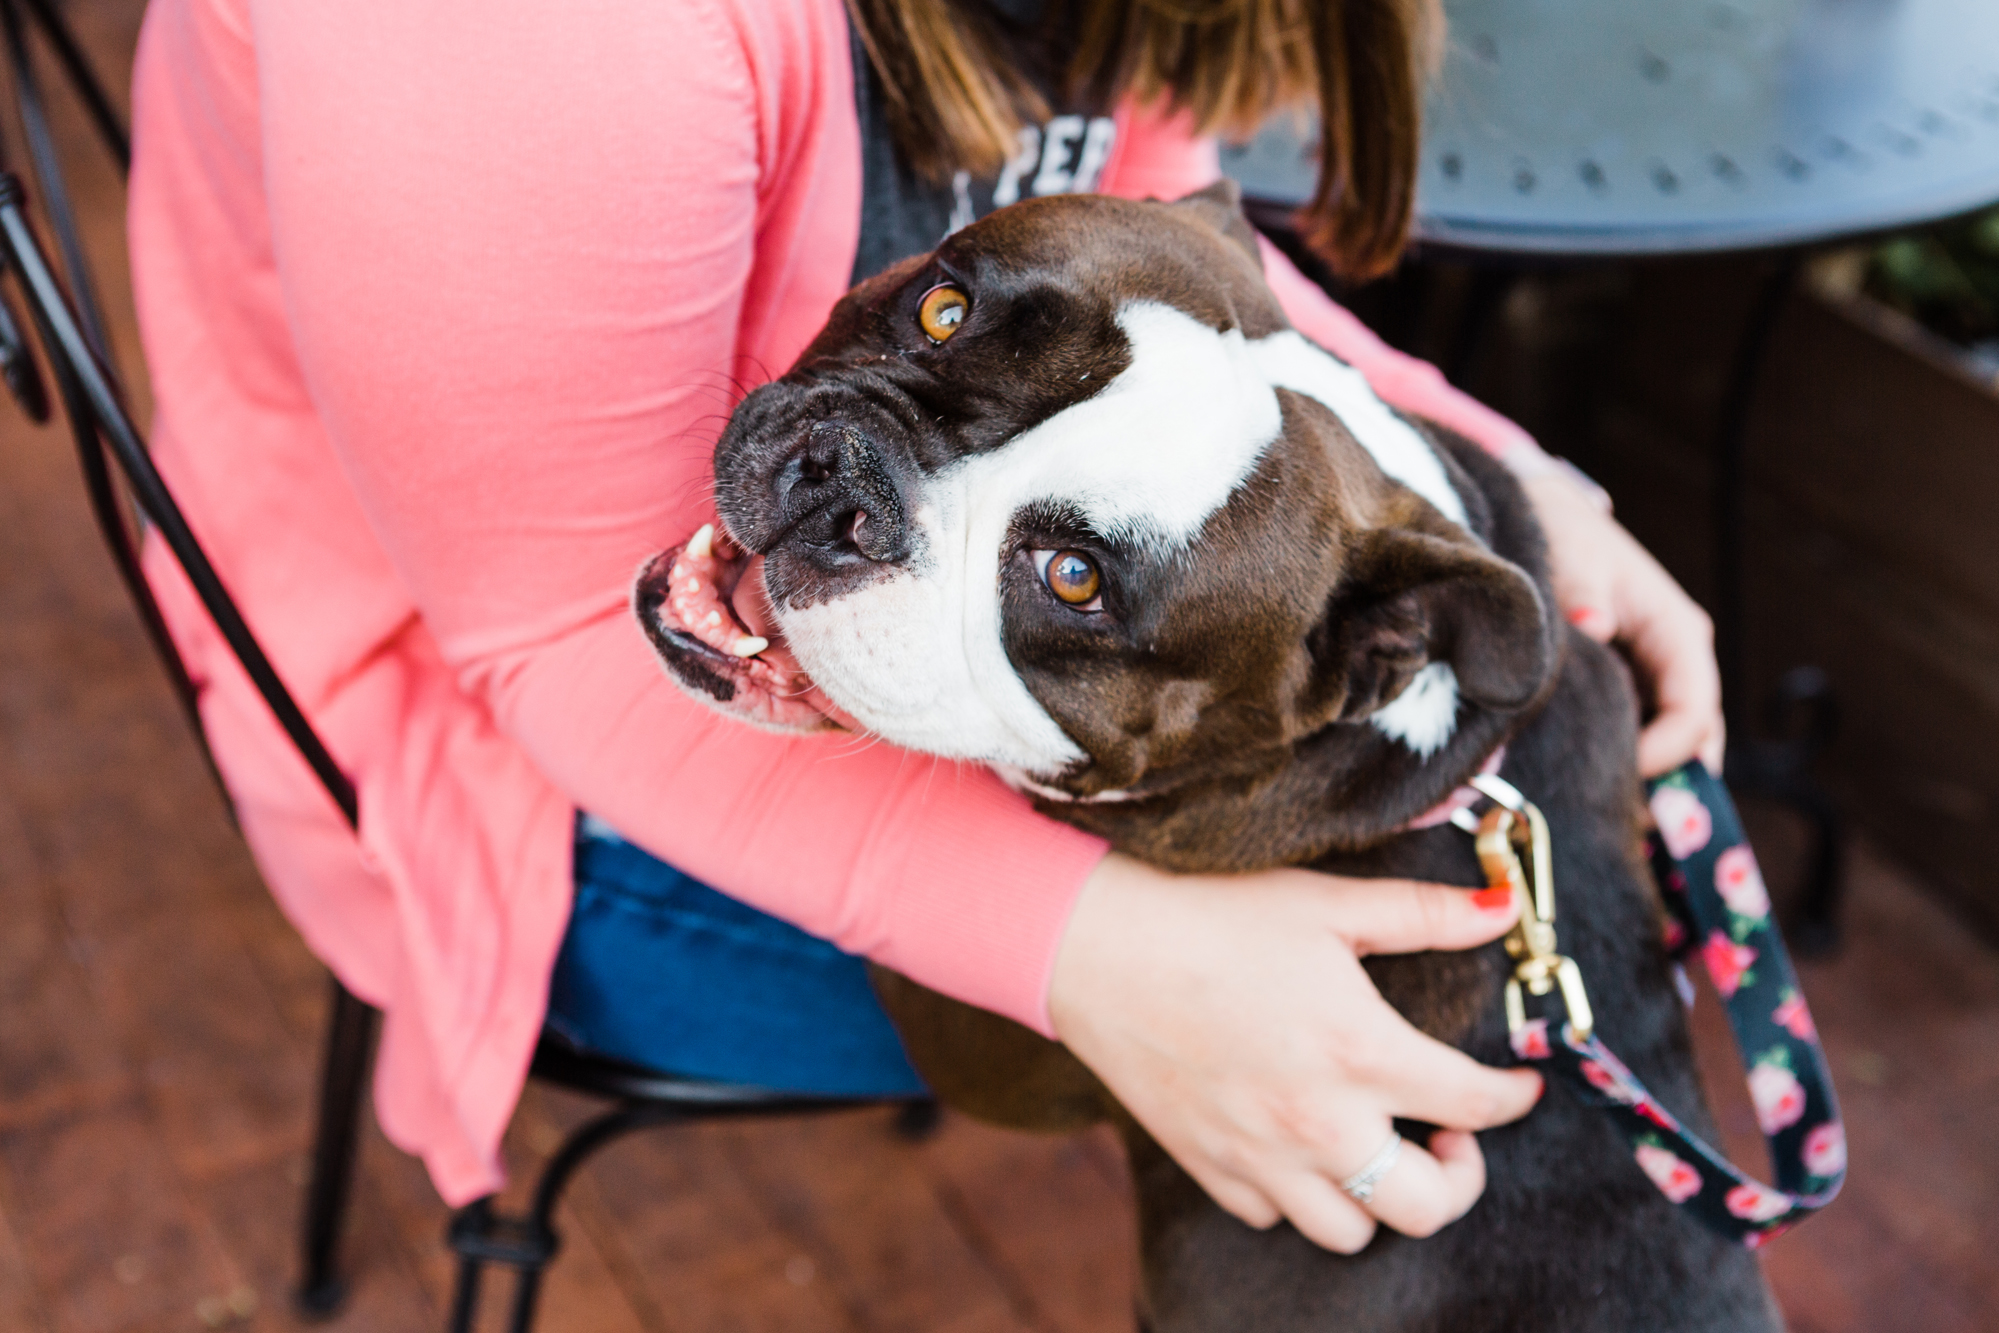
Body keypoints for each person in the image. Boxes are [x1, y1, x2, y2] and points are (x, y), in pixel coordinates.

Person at [127, 0, 1723, 1257]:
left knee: (1472, 844)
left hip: (778, 564)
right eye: (947, 312)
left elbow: (1183, 272)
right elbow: (556, 627)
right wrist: (1107, 957)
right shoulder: (546, 28)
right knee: (1398, 1004)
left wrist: (1508, 485)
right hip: (511, 754)